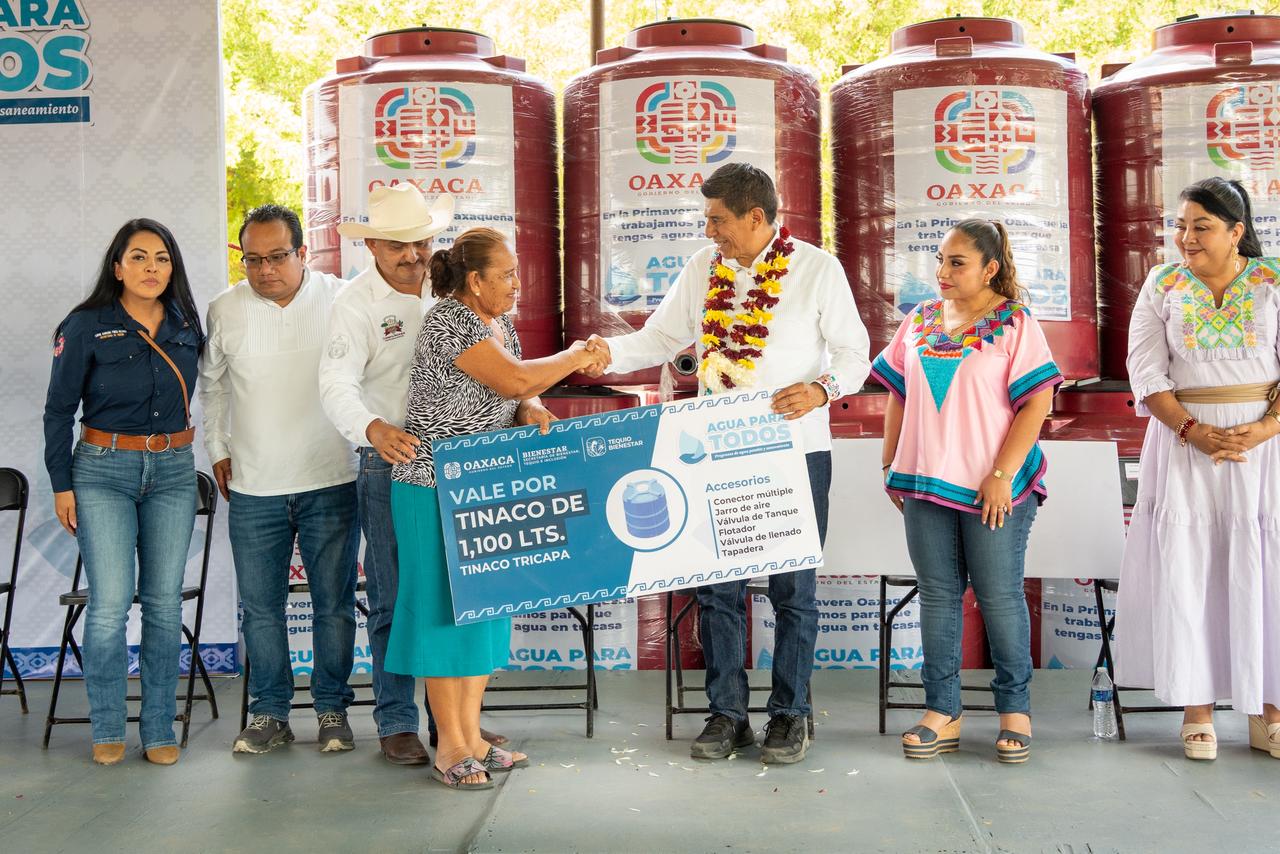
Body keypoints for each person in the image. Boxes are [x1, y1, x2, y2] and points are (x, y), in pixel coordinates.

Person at [585, 162, 870, 764]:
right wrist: (606, 352)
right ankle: (727, 715)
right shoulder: (701, 269)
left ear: (756, 217)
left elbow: (854, 352)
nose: (709, 230)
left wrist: (822, 389)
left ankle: (790, 716)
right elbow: (661, 339)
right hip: (716, 454)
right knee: (719, 592)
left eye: (717, 220)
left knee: (794, 592)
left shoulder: (817, 269)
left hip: (796, 452)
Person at [386, 227, 605, 789]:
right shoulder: (448, 320)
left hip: (485, 489)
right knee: (442, 614)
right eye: (506, 274)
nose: (516, 283)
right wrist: (577, 355)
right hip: (432, 487)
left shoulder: (497, 322)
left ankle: (474, 736)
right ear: (475, 280)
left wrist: (530, 405)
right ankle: (450, 744)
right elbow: (511, 374)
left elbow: (515, 387)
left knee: (484, 608)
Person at [319, 184, 506, 764]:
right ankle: (397, 718)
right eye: (399, 245)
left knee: (458, 594)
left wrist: (523, 405)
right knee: (396, 595)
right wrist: (373, 429)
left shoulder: (450, 291)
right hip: (396, 458)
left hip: (466, 463)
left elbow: (493, 372)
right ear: (372, 244)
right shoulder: (354, 304)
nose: (413, 254)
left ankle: (454, 726)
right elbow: (336, 383)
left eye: (421, 241)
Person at [871, 219, 1061, 765]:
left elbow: (1037, 404)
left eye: (957, 262)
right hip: (924, 480)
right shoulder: (920, 319)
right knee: (937, 594)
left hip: (993, 487)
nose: (943, 272)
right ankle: (942, 711)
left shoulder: (1017, 324)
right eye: (941, 260)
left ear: (990, 268)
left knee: (999, 596)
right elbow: (899, 395)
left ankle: (1015, 710)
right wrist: (890, 461)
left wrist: (1001, 475)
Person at [1119, 176, 1280, 762]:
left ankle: (1269, 711)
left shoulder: (1272, 283)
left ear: (1237, 232)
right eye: (1180, 226)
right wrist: (1194, 432)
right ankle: (1197, 709)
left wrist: (1262, 428)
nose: (1185, 238)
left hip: (1265, 452)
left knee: (1266, 567)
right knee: (1191, 569)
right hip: (1183, 446)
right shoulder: (1162, 284)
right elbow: (1147, 373)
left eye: (1201, 227)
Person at [43, 219, 204, 766]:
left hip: (174, 472)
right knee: (109, 606)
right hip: (102, 472)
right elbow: (58, 410)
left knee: (162, 605)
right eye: (138, 258)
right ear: (117, 267)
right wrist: (61, 484)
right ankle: (107, 726)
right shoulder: (86, 325)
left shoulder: (186, 323)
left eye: (161, 258)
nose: (151, 268)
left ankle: (159, 730)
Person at [201, 204, 360, 755]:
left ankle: (332, 708)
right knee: (262, 609)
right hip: (252, 486)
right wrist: (218, 448)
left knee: (333, 605)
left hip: (331, 478)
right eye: (252, 259)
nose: (264, 269)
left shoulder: (342, 298)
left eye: (276, 257)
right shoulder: (224, 309)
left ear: (303, 254)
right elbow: (213, 387)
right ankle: (269, 713)